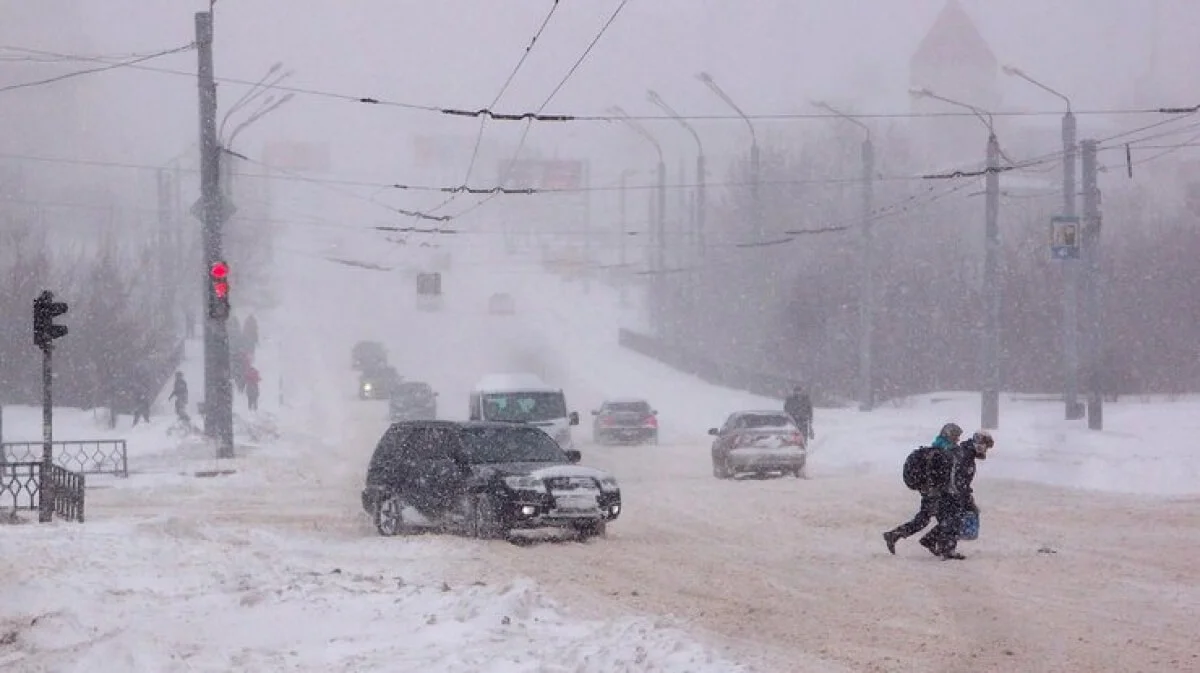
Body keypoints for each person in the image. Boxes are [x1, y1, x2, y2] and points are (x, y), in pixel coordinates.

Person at [882, 422, 962, 555]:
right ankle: (943, 548)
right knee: (945, 520)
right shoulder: (941, 452)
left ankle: (896, 535)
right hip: (935, 493)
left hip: (930, 491)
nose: (958, 439)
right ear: (948, 435)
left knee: (929, 520)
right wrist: (941, 490)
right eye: (955, 436)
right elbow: (938, 476)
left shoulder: (938, 449)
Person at [920, 429, 994, 560]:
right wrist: (965, 498)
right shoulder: (965, 455)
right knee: (955, 519)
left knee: (952, 519)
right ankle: (945, 549)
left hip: (947, 490)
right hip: (950, 492)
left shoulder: (965, 452)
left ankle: (933, 541)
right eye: (986, 447)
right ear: (980, 444)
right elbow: (959, 480)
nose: (985, 450)